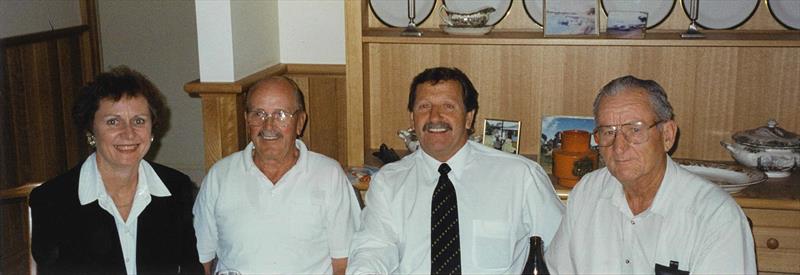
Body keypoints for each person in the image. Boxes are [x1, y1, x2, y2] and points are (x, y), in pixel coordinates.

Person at [347, 67, 564, 274]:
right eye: (424, 106)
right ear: (412, 119)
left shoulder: (520, 176)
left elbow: (562, 251)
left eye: (448, 106)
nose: (434, 117)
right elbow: (374, 248)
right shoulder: (389, 181)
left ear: (469, 117)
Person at [545, 75, 757, 274]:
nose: (619, 147)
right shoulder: (587, 193)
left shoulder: (714, 216)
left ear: (667, 135)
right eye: (608, 132)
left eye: (635, 130)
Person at [29, 66, 202, 274]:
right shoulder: (52, 200)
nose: (128, 133)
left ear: (152, 130)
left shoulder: (176, 188)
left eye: (139, 121)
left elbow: (192, 269)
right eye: (113, 122)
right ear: (91, 131)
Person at [193, 76, 361, 275]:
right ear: (247, 120)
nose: (268, 126)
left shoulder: (329, 176)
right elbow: (202, 259)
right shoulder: (220, 176)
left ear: (300, 122)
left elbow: (343, 264)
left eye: (281, 115)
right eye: (259, 114)